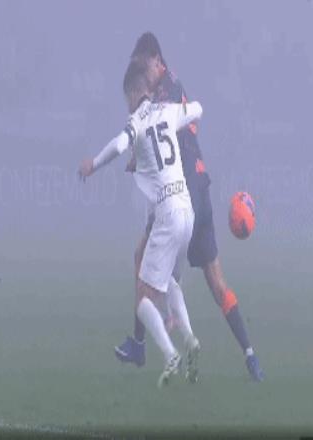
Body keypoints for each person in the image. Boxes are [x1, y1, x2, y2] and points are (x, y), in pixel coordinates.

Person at [114, 33, 264, 382]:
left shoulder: (163, 91)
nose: (141, 76)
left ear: (156, 60)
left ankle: (144, 343)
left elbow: (153, 131)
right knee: (216, 283)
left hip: (182, 192)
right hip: (201, 186)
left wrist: (136, 155)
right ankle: (251, 355)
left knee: (147, 260)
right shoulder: (171, 87)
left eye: (143, 67)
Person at [78, 61, 203, 387]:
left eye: (127, 98)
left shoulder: (137, 120)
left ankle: (170, 354)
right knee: (168, 281)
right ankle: (190, 338)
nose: (128, 105)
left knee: (144, 295)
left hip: (167, 213)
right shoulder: (167, 110)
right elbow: (197, 109)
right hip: (187, 210)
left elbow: (120, 145)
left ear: (135, 92)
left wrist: (94, 164)